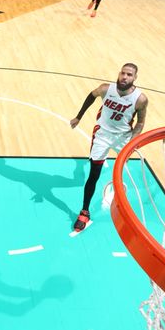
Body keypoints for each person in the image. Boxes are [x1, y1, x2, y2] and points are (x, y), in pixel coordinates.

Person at [69, 63, 148, 233]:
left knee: (122, 171)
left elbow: (140, 123)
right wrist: (78, 117)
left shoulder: (140, 99)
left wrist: (132, 141)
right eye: (123, 73)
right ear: (119, 74)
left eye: (129, 75)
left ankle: (125, 204)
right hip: (102, 135)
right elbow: (90, 97)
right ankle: (84, 211)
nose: (124, 77)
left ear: (135, 78)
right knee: (93, 175)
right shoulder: (105, 89)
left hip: (123, 138)